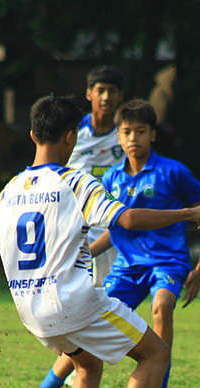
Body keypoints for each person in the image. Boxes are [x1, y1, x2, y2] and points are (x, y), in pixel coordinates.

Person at [0, 94, 200, 388]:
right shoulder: (75, 182)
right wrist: (189, 213)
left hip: (30, 311)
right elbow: (127, 219)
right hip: (74, 301)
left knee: (86, 366)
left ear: (33, 135)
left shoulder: (8, 190)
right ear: (72, 137)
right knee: (155, 354)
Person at [11, 99, 200, 388]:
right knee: (80, 336)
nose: (132, 138)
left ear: (153, 135)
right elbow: (115, 228)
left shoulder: (173, 171)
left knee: (162, 306)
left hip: (168, 262)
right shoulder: (111, 179)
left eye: (140, 131)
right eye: (126, 132)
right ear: (118, 138)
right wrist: (86, 253)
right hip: (127, 266)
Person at [68, 65, 126, 286]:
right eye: (100, 90)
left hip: (111, 221)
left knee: (111, 290)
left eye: (112, 91)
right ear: (89, 93)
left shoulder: (127, 133)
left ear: (120, 95)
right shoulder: (73, 131)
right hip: (75, 221)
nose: (106, 97)